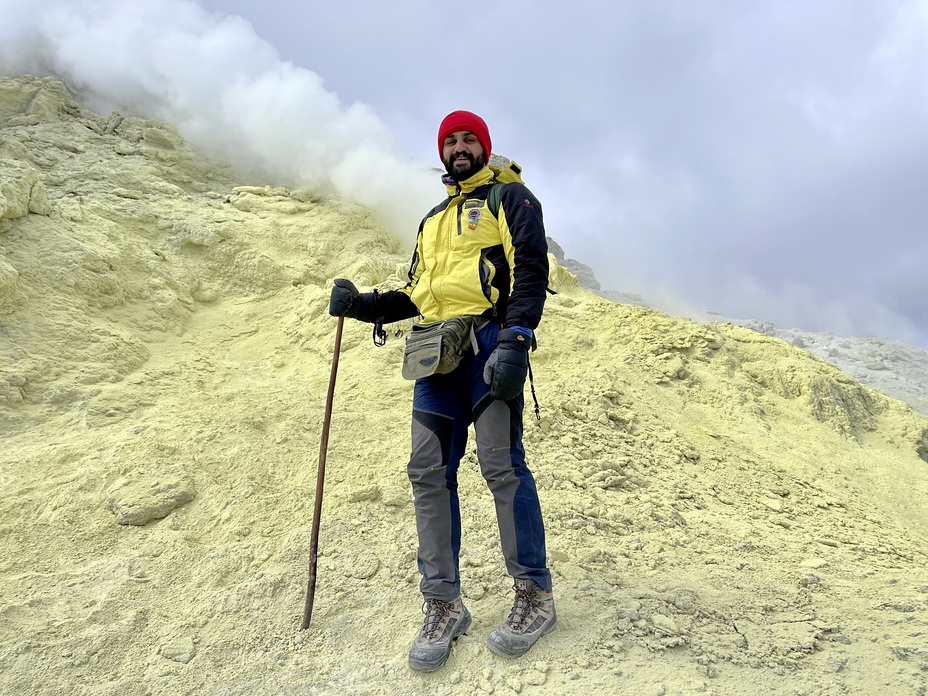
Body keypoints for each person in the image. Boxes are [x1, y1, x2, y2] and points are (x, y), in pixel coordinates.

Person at [328, 110, 555, 672]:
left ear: (483, 147)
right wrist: (366, 307)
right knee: (427, 472)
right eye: (449, 140)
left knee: (501, 465)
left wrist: (517, 339)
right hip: (436, 352)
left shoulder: (511, 198)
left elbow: (529, 266)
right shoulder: (432, 220)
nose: (458, 147)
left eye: (467, 139)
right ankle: (443, 604)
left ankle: (534, 595)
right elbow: (418, 292)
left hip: (488, 344)